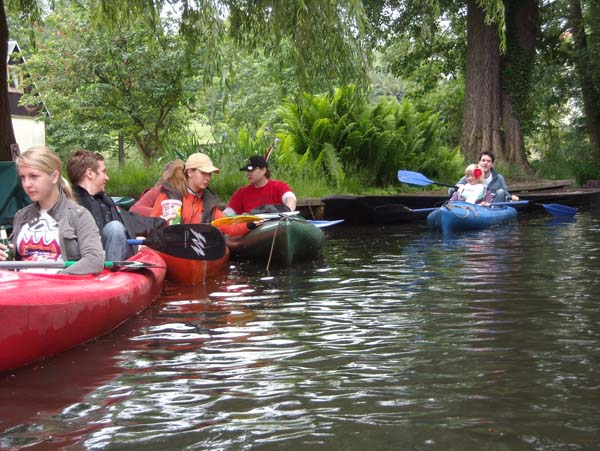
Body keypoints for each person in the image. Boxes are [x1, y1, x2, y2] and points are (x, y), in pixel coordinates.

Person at [0, 146, 104, 275]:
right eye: (23, 177)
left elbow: (94, 260)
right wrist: (5, 258)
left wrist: (58, 278)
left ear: (54, 176)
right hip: (22, 289)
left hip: (59, 291)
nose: (27, 184)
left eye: (34, 176)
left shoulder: (79, 216)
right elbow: (13, 266)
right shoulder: (21, 216)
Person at [67, 150, 165, 262]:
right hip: (83, 262)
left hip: (108, 260)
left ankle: (112, 271)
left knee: (115, 227)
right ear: (90, 173)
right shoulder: (67, 204)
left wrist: (162, 221)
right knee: (115, 227)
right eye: (103, 172)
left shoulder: (104, 202)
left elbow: (132, 220)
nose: (107, 177)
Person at [149, 153, 257, 236]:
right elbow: (151, 226)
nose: (208, 178)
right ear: (190, 172)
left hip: (197, 251)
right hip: (171, 247)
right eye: (203, 173)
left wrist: (250, 224)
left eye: (209, 174)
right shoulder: (169, 197)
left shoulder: (208, 203)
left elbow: (228, 226)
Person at [223, 155, 297, 216]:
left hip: (276, 226)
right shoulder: (241, 192)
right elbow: (229, 211)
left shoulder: (279, 186)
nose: (248, 173)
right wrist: (222, 217)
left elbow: (290, 198)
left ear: (263, 170)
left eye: (252, 170)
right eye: (247, 170)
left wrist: (288, 211)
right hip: (252, 230)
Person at [449, 151, 519, 203]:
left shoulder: (499, 178)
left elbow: (505, 193)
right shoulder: (469, 177)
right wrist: (456, 188)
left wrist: (511, 197)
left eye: (488, 161)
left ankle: (494, 215)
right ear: (479, 162)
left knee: (501, 192)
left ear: (492, 165)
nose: (485, 163)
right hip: (475, 206)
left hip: (492, 205)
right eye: (483, 160)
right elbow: (451, 191)